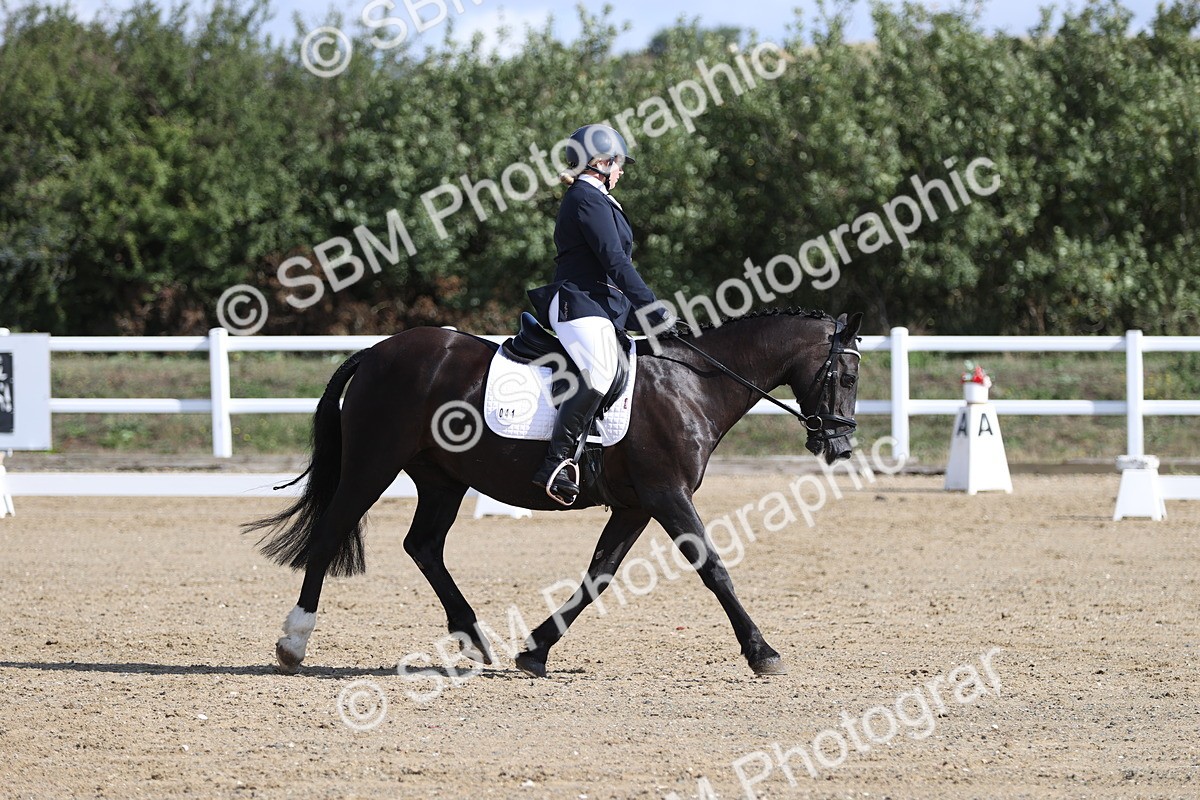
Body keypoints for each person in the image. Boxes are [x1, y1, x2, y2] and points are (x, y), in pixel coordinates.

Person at [526, 124, 675, 506]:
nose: (622, 171)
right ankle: (555, 463)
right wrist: (650, 304)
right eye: (619, 163)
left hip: (601, 307)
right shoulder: (585, 198)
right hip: (578, 304)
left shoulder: (597, 199)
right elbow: (614, 260)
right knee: (601, 371)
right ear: (600, 161)